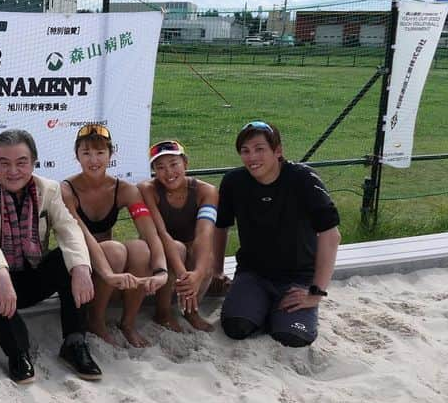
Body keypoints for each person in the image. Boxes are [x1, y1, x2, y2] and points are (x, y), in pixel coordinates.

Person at [0, 129, 99, 384]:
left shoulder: (49, 189)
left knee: (67, 260)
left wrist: (80, 268)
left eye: (21, 163)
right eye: (4, 163)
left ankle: (74, 342)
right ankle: (18, 353)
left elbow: (69, 229)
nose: (13, 171)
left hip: (27, 274)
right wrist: (1, 277)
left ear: (34, 162)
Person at [215, 121, 340, 347]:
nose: (252, 157)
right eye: (245, 151)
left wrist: (316, 292)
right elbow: (220, 227)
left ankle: (277, 313)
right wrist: (217, 271)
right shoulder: (234, 182)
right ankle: (259, 305)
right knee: (236, 327)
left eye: (259, 149)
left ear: (278, 151)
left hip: (298, 277)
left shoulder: (304, 179)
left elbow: (331, 236)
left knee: (292, 337)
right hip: (253, 273)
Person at [60, 124, 167, 348]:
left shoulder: (125, 189)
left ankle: (128, 322)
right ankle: (95, 320)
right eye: (86, 153)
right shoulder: (67, 189)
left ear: (111, 154)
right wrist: (108, 274)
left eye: (100, 153)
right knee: (116, 250)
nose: (93, 160)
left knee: (140, 249)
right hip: (79, 261)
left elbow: (150, 233)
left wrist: (161, 271)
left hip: (111, 267)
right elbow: (83, 235)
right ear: (76, 155)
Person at [138, 140, 219, 332]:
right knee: (177, 249)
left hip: (190, 243)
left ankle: (191, 309)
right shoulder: (147, 189)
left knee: (207, 258)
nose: (168, 172)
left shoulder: (206, 191)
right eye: (160, 167)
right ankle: (163, 312)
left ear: (185, 164)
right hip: (158, 246)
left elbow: (204, 233)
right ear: (154, 171)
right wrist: (183, 274)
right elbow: (161, 233)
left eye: (174, 164)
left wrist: (198, 273)